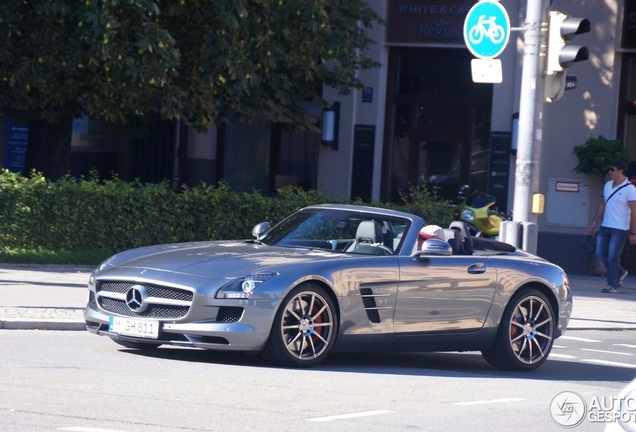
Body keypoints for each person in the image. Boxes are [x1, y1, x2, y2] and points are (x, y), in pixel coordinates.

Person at [588, 160, 636, 293]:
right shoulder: (608, 185)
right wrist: (594, 223)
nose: (609, 172)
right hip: (605, 225)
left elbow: (634, 211)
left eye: (612, 169)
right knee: (600, 253)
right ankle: (620, 272)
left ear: (620, 171)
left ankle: (612, 284)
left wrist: (633, 232)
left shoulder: (630, 189)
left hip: (620, 228)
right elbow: (602, 204)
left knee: (613, 256)